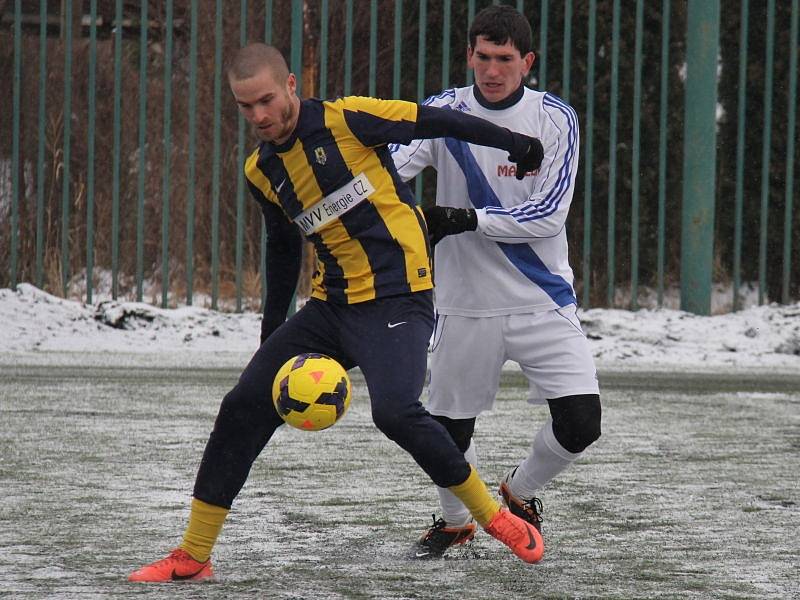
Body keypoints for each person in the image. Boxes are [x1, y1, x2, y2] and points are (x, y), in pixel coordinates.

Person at [128, 42, 549, 583]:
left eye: (264, 101)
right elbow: (282, 252)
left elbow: (437, 119)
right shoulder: (261, 171)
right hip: (330, 308)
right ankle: (193, 556)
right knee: (241, 405)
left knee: (395, 412)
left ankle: (491, 517)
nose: (258, 116)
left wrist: (518, 144)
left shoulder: (349, 118)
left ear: (289, 88)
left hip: (400, 297)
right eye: (244, 106)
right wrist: (270, 339)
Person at [390, 5, 601, 558]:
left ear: (526, 62)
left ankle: (519, 491)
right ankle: (457, 521)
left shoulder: (555, 118)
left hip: (542, 298)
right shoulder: (441, 110)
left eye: (505, 59)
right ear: (469, 56)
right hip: (464, 302)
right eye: (482, 57)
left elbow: (549, 214)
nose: (492, 69)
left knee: (582, 421)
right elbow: (391, 170)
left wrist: (463, 219)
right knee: (447, 429)